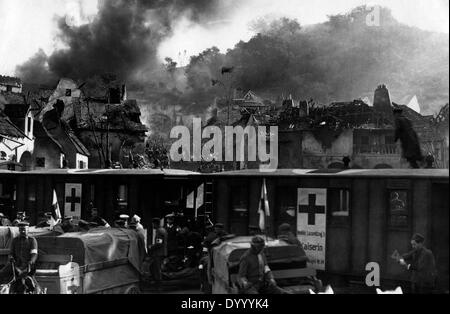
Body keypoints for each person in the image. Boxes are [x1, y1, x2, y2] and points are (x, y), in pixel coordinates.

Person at [0, 222, 38, 293]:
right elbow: (11, 253)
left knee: (24, 281)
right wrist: (11, 258)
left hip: (28, 266)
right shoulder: (15, 240)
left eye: (24, 229)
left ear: (28, 230)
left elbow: (34, 254)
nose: (22, 231)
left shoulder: (32, 240)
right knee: (1, 273)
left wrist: (30, 262)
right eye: (20, 230)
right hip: (15, 265)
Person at [148, 217, 168, 290]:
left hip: (159, 253)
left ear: (155, 223)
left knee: (157, 269)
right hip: (162, 252)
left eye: (153, 224)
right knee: (153, 267)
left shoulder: (159, 231)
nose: (152, 225)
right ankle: (157, 283)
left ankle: (159, 286)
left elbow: (159, 243)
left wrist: (151, 247)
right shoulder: (163, 230)